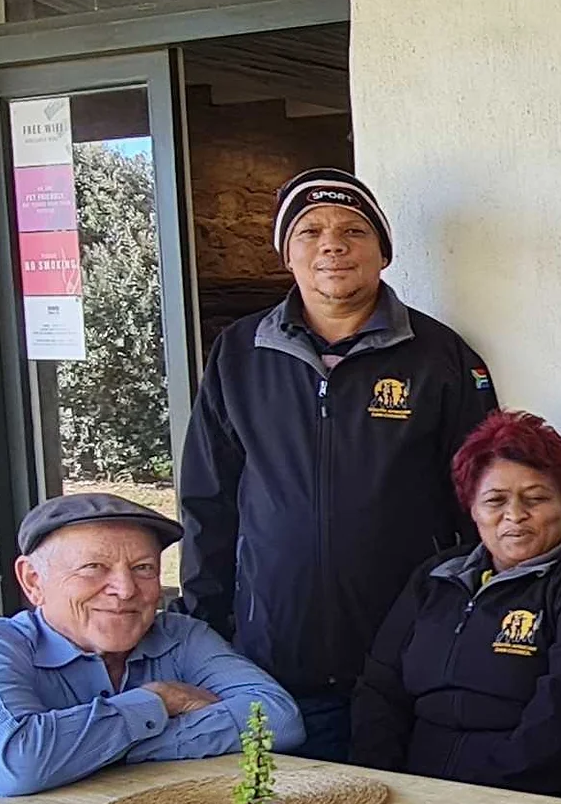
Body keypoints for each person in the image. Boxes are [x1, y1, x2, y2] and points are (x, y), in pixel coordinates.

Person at [175, 167, 498, 760]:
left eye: (353, 230)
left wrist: (462, 623)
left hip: (403, 655)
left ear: (383, 252)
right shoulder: (240, 354)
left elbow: (480, 502)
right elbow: (207, 500)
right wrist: (207, 624)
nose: (332, 245)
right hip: (273, 655)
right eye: (310, 231)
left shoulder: (441, 356)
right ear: (287, 254)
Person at [351, 410, 561, 798]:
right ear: (471, 508)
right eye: (495, 500)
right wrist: (382, 785)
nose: (514, 515)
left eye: (536, 498)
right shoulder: (437, 576)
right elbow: (379, 690)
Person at [0, 493, 302, 797]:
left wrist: (95, 752)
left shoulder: (181, 636)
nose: (125, 590)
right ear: (33, 581)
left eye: (143, 568)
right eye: (93, 567)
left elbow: (279, 719)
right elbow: (18, 764)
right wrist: (159, 701)